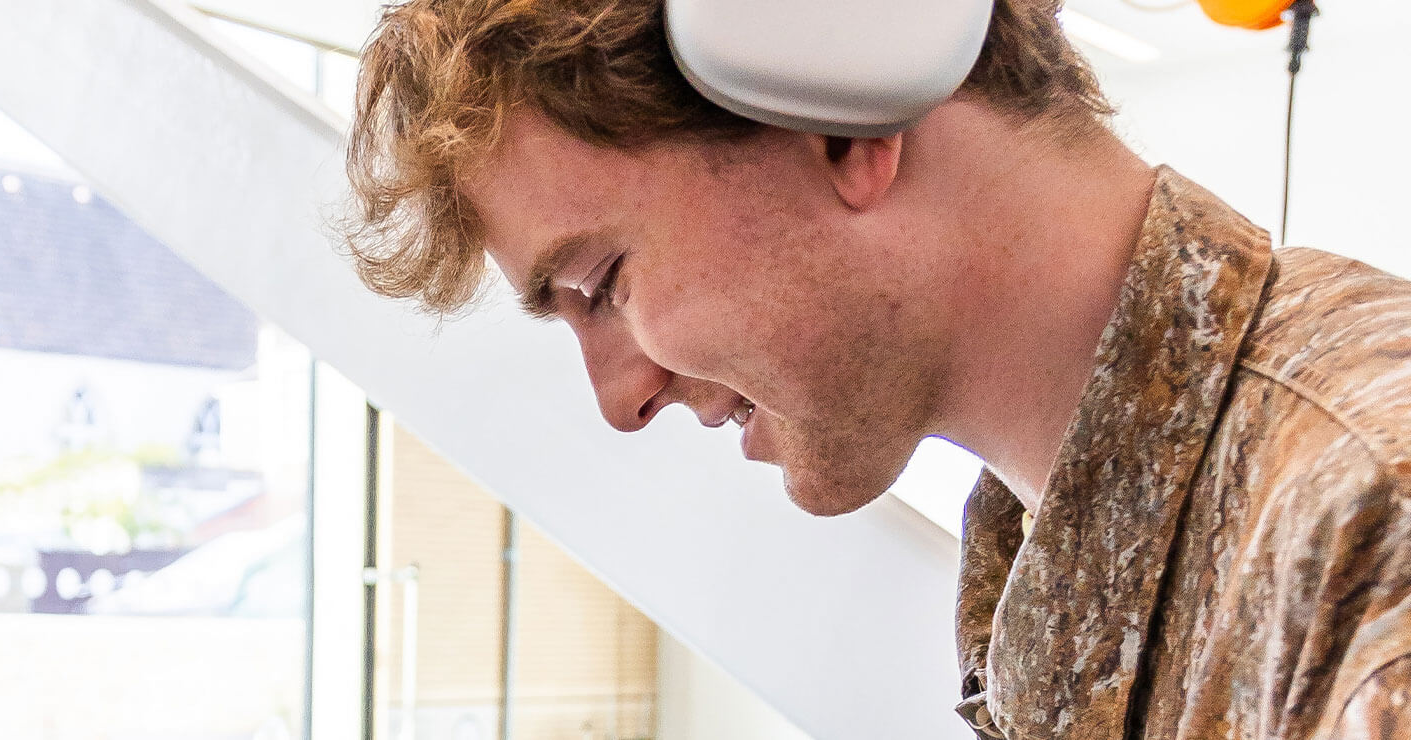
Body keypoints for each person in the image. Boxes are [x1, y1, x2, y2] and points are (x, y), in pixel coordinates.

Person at [335, 0, 1411, 737]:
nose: (620, 400)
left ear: (843, 117)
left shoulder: (1370, 519)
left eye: (605, 281)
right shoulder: (1046, 563)